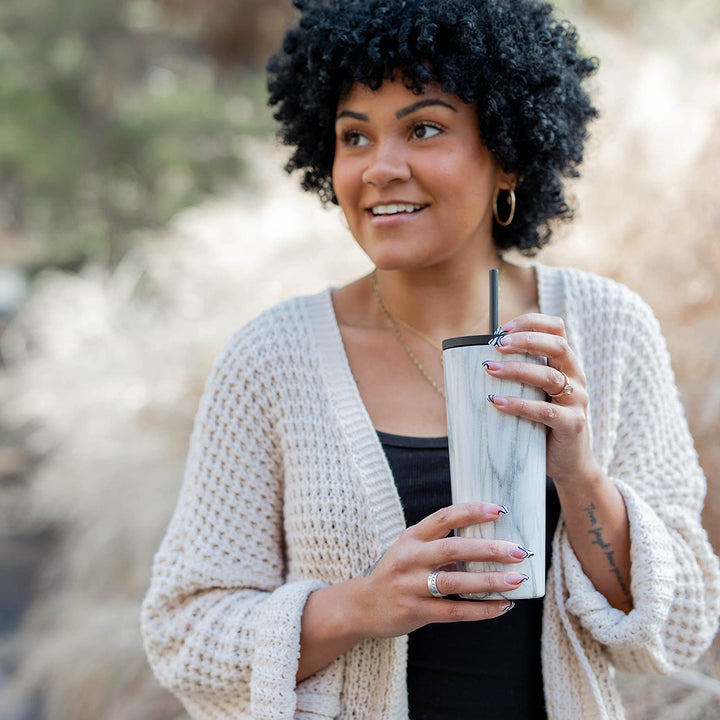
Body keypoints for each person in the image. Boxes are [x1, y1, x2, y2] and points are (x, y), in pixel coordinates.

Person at [141, 1, 720, 718]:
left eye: (423, 128)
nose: (381, 168)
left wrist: (580, 475)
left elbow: (681, 624)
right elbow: (183, 633)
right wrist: (360, 607)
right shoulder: (272, 359)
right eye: (355, 137)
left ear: (508, 153)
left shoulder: (606, 331)